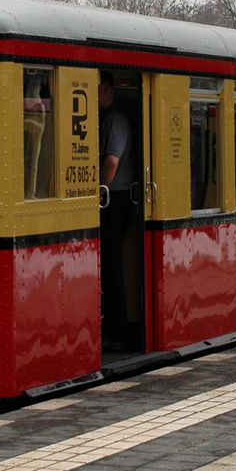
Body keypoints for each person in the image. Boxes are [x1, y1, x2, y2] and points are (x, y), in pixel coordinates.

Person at [98, 71, 139, 348]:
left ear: (110, 91)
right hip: (118, 198)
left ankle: (116, 332)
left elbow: (111, 162)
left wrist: (98, 192)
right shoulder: (115, 120)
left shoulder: (113, 121)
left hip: (114, 199)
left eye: (97, 89)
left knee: (111, 266)